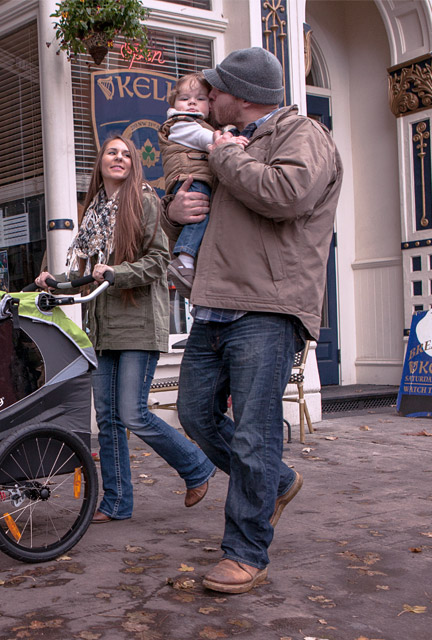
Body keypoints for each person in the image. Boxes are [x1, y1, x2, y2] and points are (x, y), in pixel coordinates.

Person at [161, 47, 343, 593]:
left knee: (254, 436)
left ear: (239, 95)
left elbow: (284, 195)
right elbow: (212, 220)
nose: (206, 97)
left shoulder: (301, 134)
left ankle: (246, 552)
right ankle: (277, 483)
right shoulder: (228, 144)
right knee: (194, 414)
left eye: (214, 90)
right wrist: (175, 216)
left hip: (267, 305)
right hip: (215, 301)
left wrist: (222, 154)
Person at [36, 135, 215, 523]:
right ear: (100, 162)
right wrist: (56, 282)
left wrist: (117, 273)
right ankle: (117, 503)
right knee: (109, 419)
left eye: (126, 154)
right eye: (111, 153)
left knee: (132, 413)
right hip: (102, 326)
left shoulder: (145, 202)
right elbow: (86, 274)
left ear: (134, 164)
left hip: (138, 323)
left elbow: (158, 262)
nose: (119, 158)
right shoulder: (93, 213)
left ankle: (197, 465)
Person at [158, 73, 246, 298]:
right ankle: (184, 258)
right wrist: (225, 141)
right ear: (173, 103)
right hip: (191, 178)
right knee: (200, 213)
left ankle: (189, 261)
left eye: (200, 99)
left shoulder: (203, 123)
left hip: (197, 175)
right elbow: (200, 137)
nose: (191, 103)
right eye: (184, 98)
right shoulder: (180, 123)